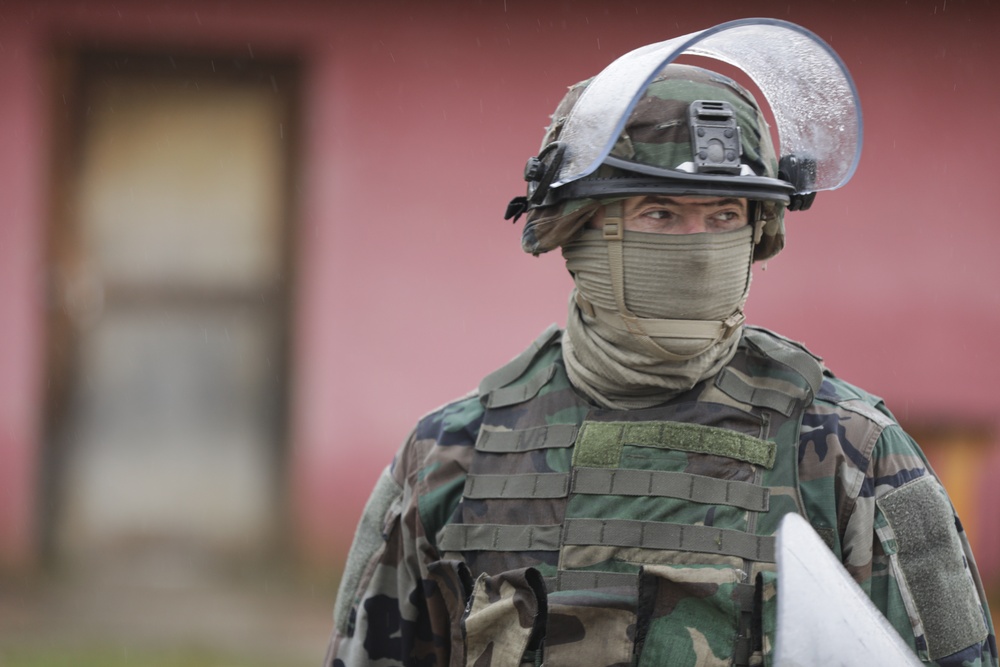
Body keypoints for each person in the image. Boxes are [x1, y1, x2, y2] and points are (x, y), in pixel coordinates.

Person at [324, 19, 997, 667]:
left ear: (758, 233)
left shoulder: (852, 451)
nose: (699, 251)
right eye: (660, 213)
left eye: (725, 215)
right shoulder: (451, 456)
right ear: (577, 231)